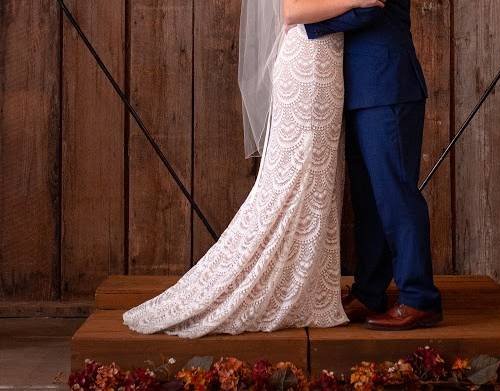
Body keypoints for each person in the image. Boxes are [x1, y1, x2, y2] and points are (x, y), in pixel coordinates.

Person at [122, 0, 382, 338]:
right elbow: (293, 11)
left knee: (316, 180)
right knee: (295, 178)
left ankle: (306, 287)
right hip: (309, 62)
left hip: (326, 61)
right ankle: (267, 284)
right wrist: (357, 0)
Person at [302, 0, 443, 330]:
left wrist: (304, 25)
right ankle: (370, 293)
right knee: (368, 201)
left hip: (387, 84)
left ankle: (420, 298)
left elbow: (369, 9)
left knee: (395, 195)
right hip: (360, 91)